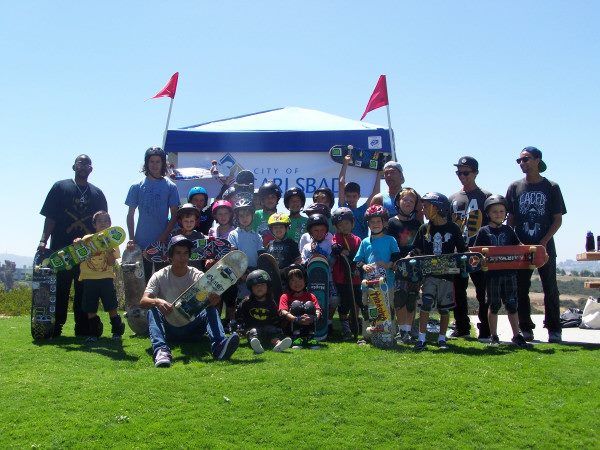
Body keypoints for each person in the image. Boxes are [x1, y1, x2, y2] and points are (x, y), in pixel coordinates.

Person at [140, 236, 240, 367]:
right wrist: (158, 301)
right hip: (170, 328)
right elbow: (143, 300)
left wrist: (214, 300)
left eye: (186, 253)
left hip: (194, 327)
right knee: (152, 309)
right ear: (171, 256)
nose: (183, 257)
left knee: (209, 307)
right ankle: (161, 350)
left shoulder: (196, 274)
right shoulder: (159, 275)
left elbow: (212, 298)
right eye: (178, 253)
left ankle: (219, 346)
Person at [39, 154, 108, 337]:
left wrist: (103, 247)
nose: (83, 166)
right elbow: (50, 217)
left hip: (88, 251)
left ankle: (83, 326)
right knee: (60, 288)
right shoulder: (60, 187)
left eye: (87, 164)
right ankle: (56, 325)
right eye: (80, 163)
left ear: (91, 169)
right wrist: (43, 240)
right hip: (61, 249)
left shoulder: (97, 194)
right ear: (74, 166)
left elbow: (103, 225)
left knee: (84, 289)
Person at [506, 146, 566, 343]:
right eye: (520, 161)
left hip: (545, 246)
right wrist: (516, 243)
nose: (522, 163)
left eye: (526, 159)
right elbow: (511, 219)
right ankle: (526, 328)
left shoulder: (551, 187)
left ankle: (554, 329)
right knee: (521, 288)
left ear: (538, 159)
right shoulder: (514, 187)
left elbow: (557, 219)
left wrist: (543, 242)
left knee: (550, 287)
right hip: (522, 247)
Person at [411, 193, 467, 352]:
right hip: (429, 275)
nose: (423, 209)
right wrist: (411, 255)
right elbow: (417, 248)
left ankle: (442, 338)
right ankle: (422, 339)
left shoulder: (453, 228)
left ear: (438, 207)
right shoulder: (424, 228)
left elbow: (463, 250)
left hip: (447, 276)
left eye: (426, 206)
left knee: (444, 308)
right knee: (425, 304)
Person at [473, 196, 529, 348]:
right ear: (488, 213)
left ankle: (517, 335)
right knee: (494, 304)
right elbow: (476, 253)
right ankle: (494, 335)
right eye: (494, 211)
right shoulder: (484, 231)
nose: (498, 214)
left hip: (509, 274)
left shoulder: (509, 230)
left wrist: (531, 251)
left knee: (512, 304)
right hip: (492, 276)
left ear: (506, 213)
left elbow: (519, 246)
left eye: (501, 211)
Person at [448, 156, 492, 340]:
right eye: (459, 172)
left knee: (484, 293)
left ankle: (486, 329)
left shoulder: (487, 197)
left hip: (479, 252)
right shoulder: (452, 198)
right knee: (457, 293)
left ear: (476, 173)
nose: (462, 176)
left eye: (466, 172)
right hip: (458, 253)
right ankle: (462, 328)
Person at [125, 147, 179, 282]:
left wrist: (163, 237)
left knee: (163, 283)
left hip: (163, 245)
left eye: (158, 162)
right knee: (143, 283)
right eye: (151, 162)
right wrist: (132, 239)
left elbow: (174, 215)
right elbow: (130, 215)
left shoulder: (171, 186)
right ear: (146, 164)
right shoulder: (136, 186)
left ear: (163, 164)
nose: (154, 165)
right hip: (141, 243)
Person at [76, 211, 125, 341]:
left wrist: (109, 250)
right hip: (89, 279)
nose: (103, 223)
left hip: (106, 279)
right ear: (94, 224)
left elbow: (111, 262)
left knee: (111, 306)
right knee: (90, 308)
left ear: (110, 224)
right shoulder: (87, 238)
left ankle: (117, 331)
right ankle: (93, 334)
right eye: (100, 221)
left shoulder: (113, 241)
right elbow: (79, 255)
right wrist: (77, 243)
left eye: (106, 221)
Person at [386, 188, 422, 343]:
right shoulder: (391, 222)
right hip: (398, 266)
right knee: (400, 298)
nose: (408, 203)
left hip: (414, 266)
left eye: (411, 201)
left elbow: (421, 244)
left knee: (411, 298)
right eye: (405, 199)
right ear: (398, 202)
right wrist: (396, 261)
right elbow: (389, 244)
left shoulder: (418, 223)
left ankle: (408, 330)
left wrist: (412, 254)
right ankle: (401, 331)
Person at [238, 270, 292, 354]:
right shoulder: (246, 303)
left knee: (272, 331)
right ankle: (256, 345)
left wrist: (278, 325)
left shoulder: (271, 302)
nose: (259, 287)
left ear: (267, 286)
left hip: (267, 328)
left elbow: (275, 317)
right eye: (256, 285)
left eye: (262, 285)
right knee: (253, 332)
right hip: (252, 329)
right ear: (251, 288)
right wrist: (241, 329)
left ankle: (278, 344)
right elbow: (240, 317)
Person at [331, 207, 363, 340]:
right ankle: (345, 328)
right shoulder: (336, 237)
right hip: (341, 278)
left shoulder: (357, 240)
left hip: (355, 277)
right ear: (336, 226)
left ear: (352, 224)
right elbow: (334, 247)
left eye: (346, 224)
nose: (344, 227)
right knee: (344, 303)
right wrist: (338, 249)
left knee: (356, 301)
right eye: (340, 225)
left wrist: (358, 265)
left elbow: (360, 256)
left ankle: (355, 323)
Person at [279, 265, 322, 349]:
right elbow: (283, 311)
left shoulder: (311, 296)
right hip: (291, 325)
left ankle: (310, 337)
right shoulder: (285, 296)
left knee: (310, 304)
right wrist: (296, 319)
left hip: (308, 322)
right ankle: (296, 337)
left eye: (299, 279)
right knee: (296, 304)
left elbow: (318, 309)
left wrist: (313, 318)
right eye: (293, 280)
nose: (297, 283)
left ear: (304, 280)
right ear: (288, 283)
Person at [338, 155, 381, 239]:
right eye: (348, 196)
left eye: (354, 196)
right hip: (346, 247)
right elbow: (341, 183)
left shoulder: (364, 209)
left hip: (362, 247)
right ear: (345, 196)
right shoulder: (343, 207)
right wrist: (345, 163)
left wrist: (379, 173)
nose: (351, 199)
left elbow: (376, 193)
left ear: (359, 196)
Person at [171, 203, 205, 270]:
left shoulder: (200, 236)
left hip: (196, 272)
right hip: (178, 271)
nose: (189, 224)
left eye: (191, 221)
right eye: (186, 221)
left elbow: (206, 251)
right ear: (180, 221)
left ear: (196, 221)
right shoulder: (175, 236)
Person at [251, 181, 282, 246]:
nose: (270, 200)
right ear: (262, 200)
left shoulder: (282, 218)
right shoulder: (254, 215)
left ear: (277, 199)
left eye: (273, 197)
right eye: (267, 197)